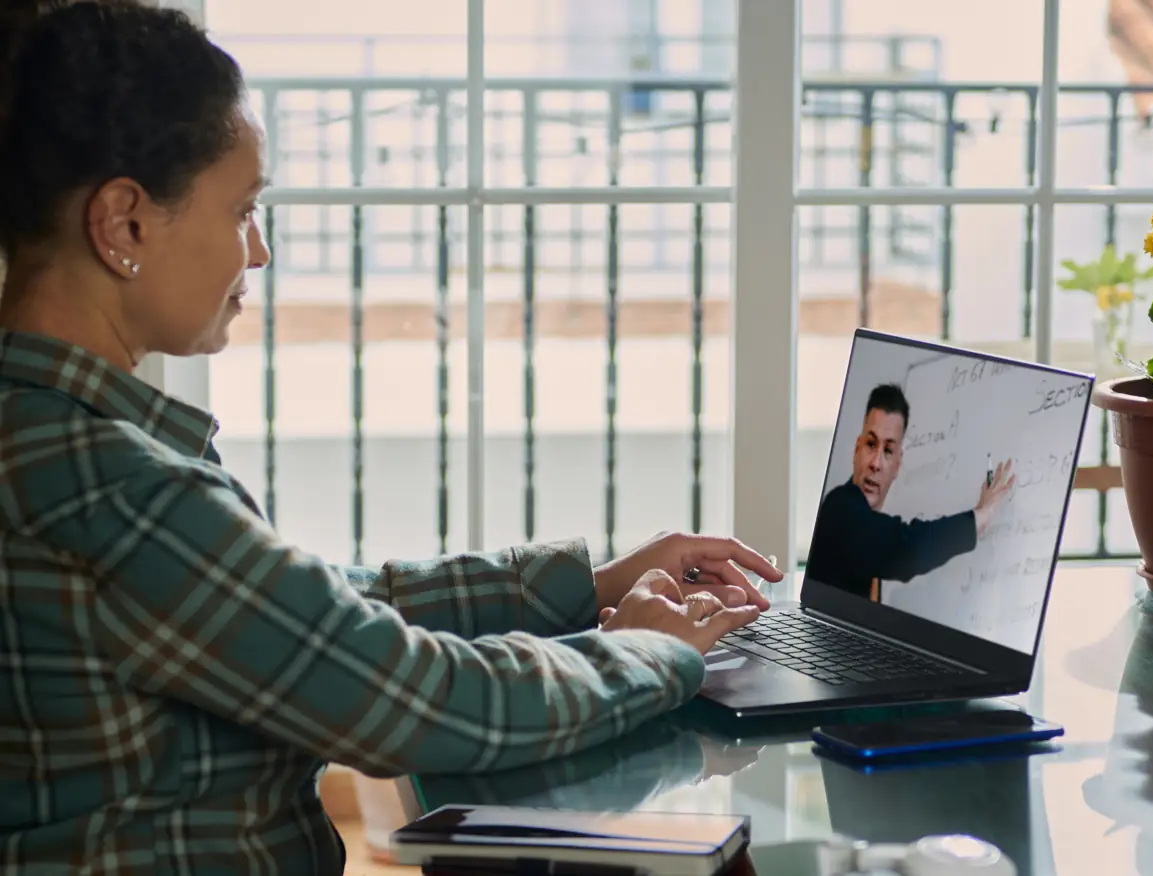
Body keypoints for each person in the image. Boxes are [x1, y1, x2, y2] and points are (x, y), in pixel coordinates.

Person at [0, 3, 782, 874]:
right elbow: (425, 703)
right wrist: (655, 651)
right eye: (242, 209)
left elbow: (321, 606)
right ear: (124, 223)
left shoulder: (49, 437)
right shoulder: (109, 483)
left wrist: (586, 584)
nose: (257, 251)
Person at [805, 382, 1014, 601]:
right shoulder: (839, 508)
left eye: (888, 450)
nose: (876, 463)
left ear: (898, 464)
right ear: (856, 449)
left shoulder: (869, 531)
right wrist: (979, 517)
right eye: (870, 444)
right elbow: (904, 548)